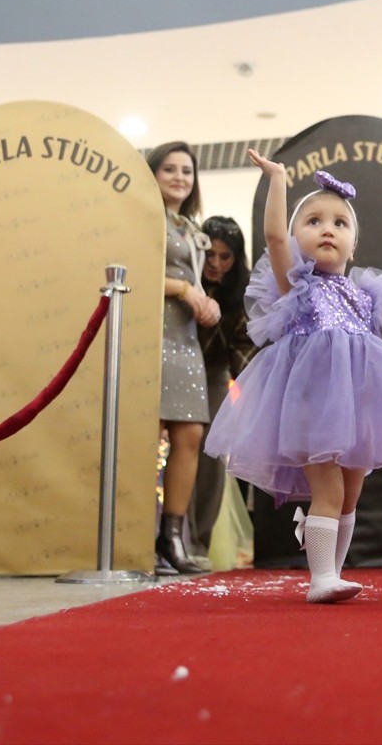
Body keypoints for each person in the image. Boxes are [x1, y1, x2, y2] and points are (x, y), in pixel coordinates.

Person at [205, 149, 382, 603]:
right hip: (312, 409)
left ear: (353, 245)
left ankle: (332, 572)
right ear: (296, 238)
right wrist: (277, 180)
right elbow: (274, 236)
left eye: (340, 223)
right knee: (330, 490)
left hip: (357, 410)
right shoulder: (297, 285)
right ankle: (320, 579)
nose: (327, 229)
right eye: (313, 221)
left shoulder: (366, 294)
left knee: (350, 495)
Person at [148, 141, 220, 575]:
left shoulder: (189, 226)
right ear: (151, 174)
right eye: (169, 169)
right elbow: (132, 272)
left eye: (187, 171)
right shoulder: (141, 218)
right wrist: (183, 289)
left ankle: (172, 538)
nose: (179, 177)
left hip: (185, 339)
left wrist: (207, 303)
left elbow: (196, 282)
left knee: (190, 435)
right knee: (147, 436)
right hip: (149, 335)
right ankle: (139, 534)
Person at [188, 215, 256, 565]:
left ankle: (197, 543)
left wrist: (255, 392)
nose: (215, 263)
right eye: (209, 255)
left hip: (214, 376)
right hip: (171, 372)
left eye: (225, 256)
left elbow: (243, 348)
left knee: (211, 458)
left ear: (236, 258)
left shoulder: (244, 294)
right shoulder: (183, 280)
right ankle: (166, 539)